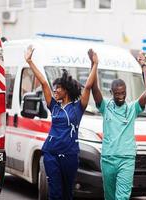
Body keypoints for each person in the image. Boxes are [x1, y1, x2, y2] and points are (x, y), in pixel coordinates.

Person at [24, 46, 98, 200]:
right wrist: (29, 61)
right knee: (55, 193)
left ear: (67, 90)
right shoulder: (54, 106)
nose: (55, 91)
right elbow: (44, 83)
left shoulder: (78, 107)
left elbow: (89, 86)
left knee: (67, 193)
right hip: (51, 154)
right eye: (55, 88)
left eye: (58, 88)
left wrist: (95, 64)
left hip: (70, 155)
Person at [91, 51, 146, 200]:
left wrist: (144, 65)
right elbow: (94, 89)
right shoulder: (105, 107)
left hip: (126, 159)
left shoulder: (133, 108)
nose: (120, 96)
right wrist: (94, 64)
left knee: (122, 197)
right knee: (110, 196)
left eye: (123, 93)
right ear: (111, 92)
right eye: (117, 93)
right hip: (107, 159)